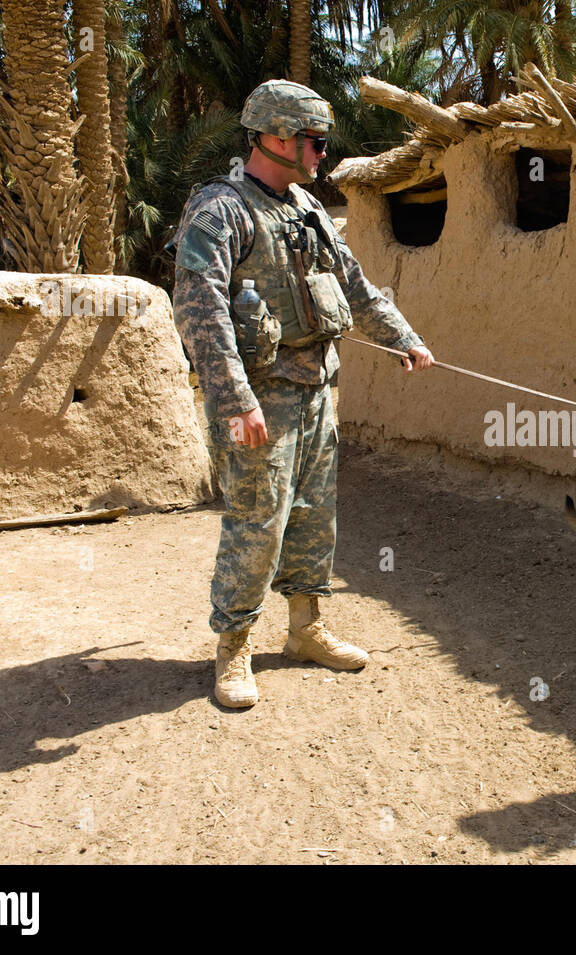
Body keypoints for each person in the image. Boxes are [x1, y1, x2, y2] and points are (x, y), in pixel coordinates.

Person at [170, 79, 434, 708]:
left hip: (317, 388)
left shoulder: (308, 210)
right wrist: (234, 399)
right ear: (278, 136)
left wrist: (404, 339)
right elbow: (199, 308)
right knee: (257, 520)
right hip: (258, 396)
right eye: (315, 141)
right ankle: (233, 647)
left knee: (315, 515)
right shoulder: (221, 208)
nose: (322, 153)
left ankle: (305, 630)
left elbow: (358, 285)